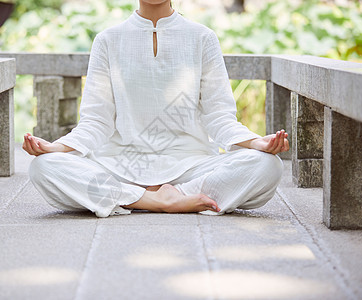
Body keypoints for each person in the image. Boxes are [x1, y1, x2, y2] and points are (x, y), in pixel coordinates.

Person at [23, 0, 289, 218]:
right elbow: (97, 121)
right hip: (120, 166)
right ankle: (159, 200)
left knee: (267, 166)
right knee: (43, 167)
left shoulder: (203, 38)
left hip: (190, 166)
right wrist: (57, 148)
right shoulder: (108, 40)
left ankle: (149, 196)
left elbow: (218, 116)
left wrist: (256, 142)